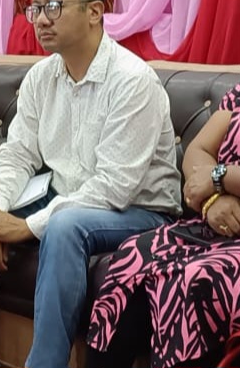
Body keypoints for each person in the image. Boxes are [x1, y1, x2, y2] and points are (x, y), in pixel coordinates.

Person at [0, 0, 181, 368]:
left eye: (54, 7)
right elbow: (18, 154)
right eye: (36, 8)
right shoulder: (42, 76)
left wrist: (25, 227)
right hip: (66, 196)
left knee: (64, 225)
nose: (41, 19)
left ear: (94, 12)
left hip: (138, 209)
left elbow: (113, 187)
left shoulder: (133, 81)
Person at [88, 81, 240, 368]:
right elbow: (198, 149)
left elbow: (212, 173)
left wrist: (218, 177)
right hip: (215, 224)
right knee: (134, 254)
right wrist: (212, 201)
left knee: (197, 276)